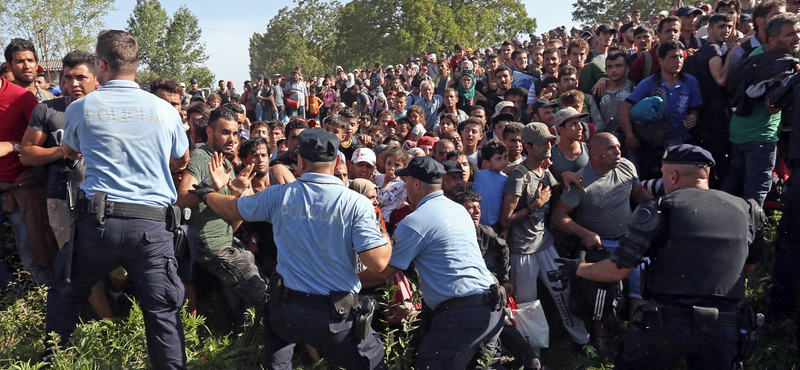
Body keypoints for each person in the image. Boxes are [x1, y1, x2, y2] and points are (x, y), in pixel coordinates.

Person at [45, 30, 190, 369]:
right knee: (162, 315)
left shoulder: (81, 108)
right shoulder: (165, 111)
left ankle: (51, 361)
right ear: (135, 66)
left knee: (66, 294)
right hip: (151, 229)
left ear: (101, 64)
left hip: (98, 225)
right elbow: (181, 161)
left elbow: (70, 151)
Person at [556, 144, 764, 370]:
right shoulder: (748, 210)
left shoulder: (658, 209)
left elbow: (617, 270)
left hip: (667, 325)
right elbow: (749, 268)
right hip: (724, 328)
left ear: (673, 175)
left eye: (663, 175)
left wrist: (578, 268)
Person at [199, 129, 392, 369]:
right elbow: (378, 262)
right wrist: (384, 234)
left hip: (286, 312)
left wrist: (207, 194)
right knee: (373, 363)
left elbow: (232, 208)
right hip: (335, 318)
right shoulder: (355, 203)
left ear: (300, 161)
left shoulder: (279, 195)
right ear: (338, 161)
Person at [359, 156, 505, 369]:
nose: (404, 185)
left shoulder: (415, 221)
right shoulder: (458, 210)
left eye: (406, 180)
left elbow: (382, 272)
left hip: (461, 314)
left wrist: (342, 282)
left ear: (416, 183)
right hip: (492, 308)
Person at [20, 50, 129, 319]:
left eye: (81, 77)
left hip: (109, 197)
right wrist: (61, 151)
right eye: (68, 77)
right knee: (77, 263)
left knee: (120, 266)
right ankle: (108, 324)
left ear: (96, 79)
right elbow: (26, 153)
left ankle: (117, 294)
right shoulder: (47, 110)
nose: (74, 83)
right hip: (61, 197)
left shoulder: (114, 110)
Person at [499, 122, 590, 351]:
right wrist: (535, 204)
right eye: (542, 143)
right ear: (528, 146)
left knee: (564, 293)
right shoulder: (519, 177)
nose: (548, 146)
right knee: (527, 306)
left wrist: (564, 178)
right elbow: (505, 220)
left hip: (545, 244)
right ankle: (532, 354)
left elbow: (553, 191)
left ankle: (583, 341)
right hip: (522, 251)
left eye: (550, 141)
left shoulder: (543, 169)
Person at [176, 107, 268, 333]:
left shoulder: (225, 164)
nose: (232, 139)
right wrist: (212, 189)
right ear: (210, 131)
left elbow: (232, 221)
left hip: (227, 243)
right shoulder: (201, 156)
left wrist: (235, 195)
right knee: (264, 295)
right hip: (212, 247)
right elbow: (180, 200)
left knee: (245, 298)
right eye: (225, 132)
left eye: (235, 133)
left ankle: (241, 337)